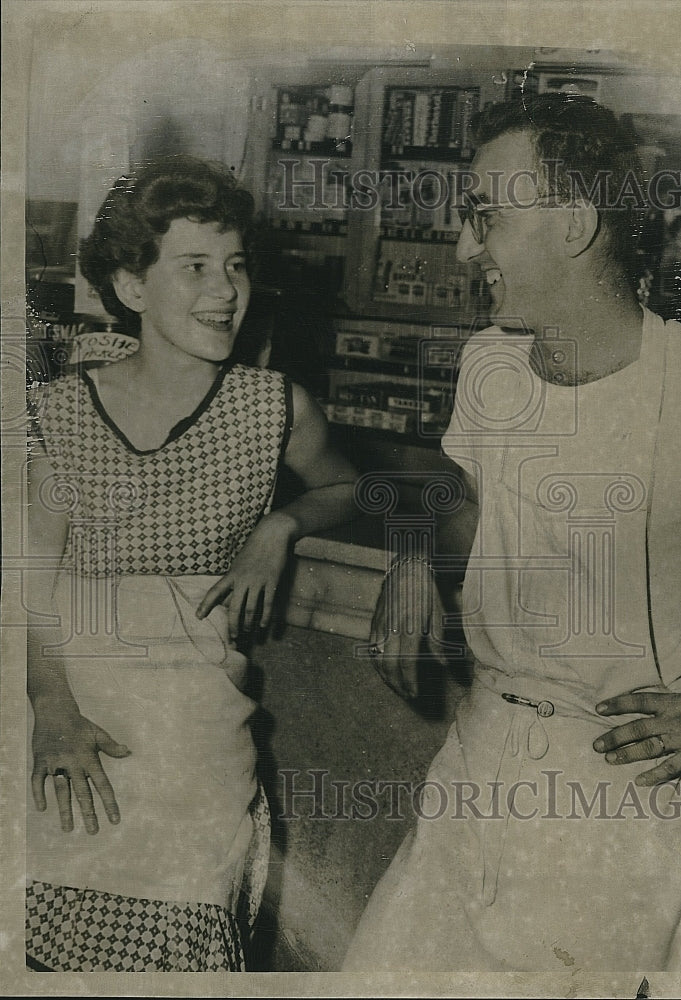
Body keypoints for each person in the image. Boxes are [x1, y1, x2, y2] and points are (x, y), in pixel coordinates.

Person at [343, 94, 681, 971]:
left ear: (572, 224)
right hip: (477, 759)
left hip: (613, 792)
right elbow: (484, 508)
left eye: (485, 218)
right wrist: (413, 552)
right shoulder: (491, 365)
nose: (463, 247)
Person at [25, 155, 357, 972]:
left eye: (236, 266)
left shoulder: (272, 406)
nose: (226, 291)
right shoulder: (57, 411)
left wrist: (280, 524)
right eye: (196, 268)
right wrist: (52, 715)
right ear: (133, 287)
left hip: (196, 742)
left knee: (183, 945)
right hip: (70, 730)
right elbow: (24, 589)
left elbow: (350, 486)